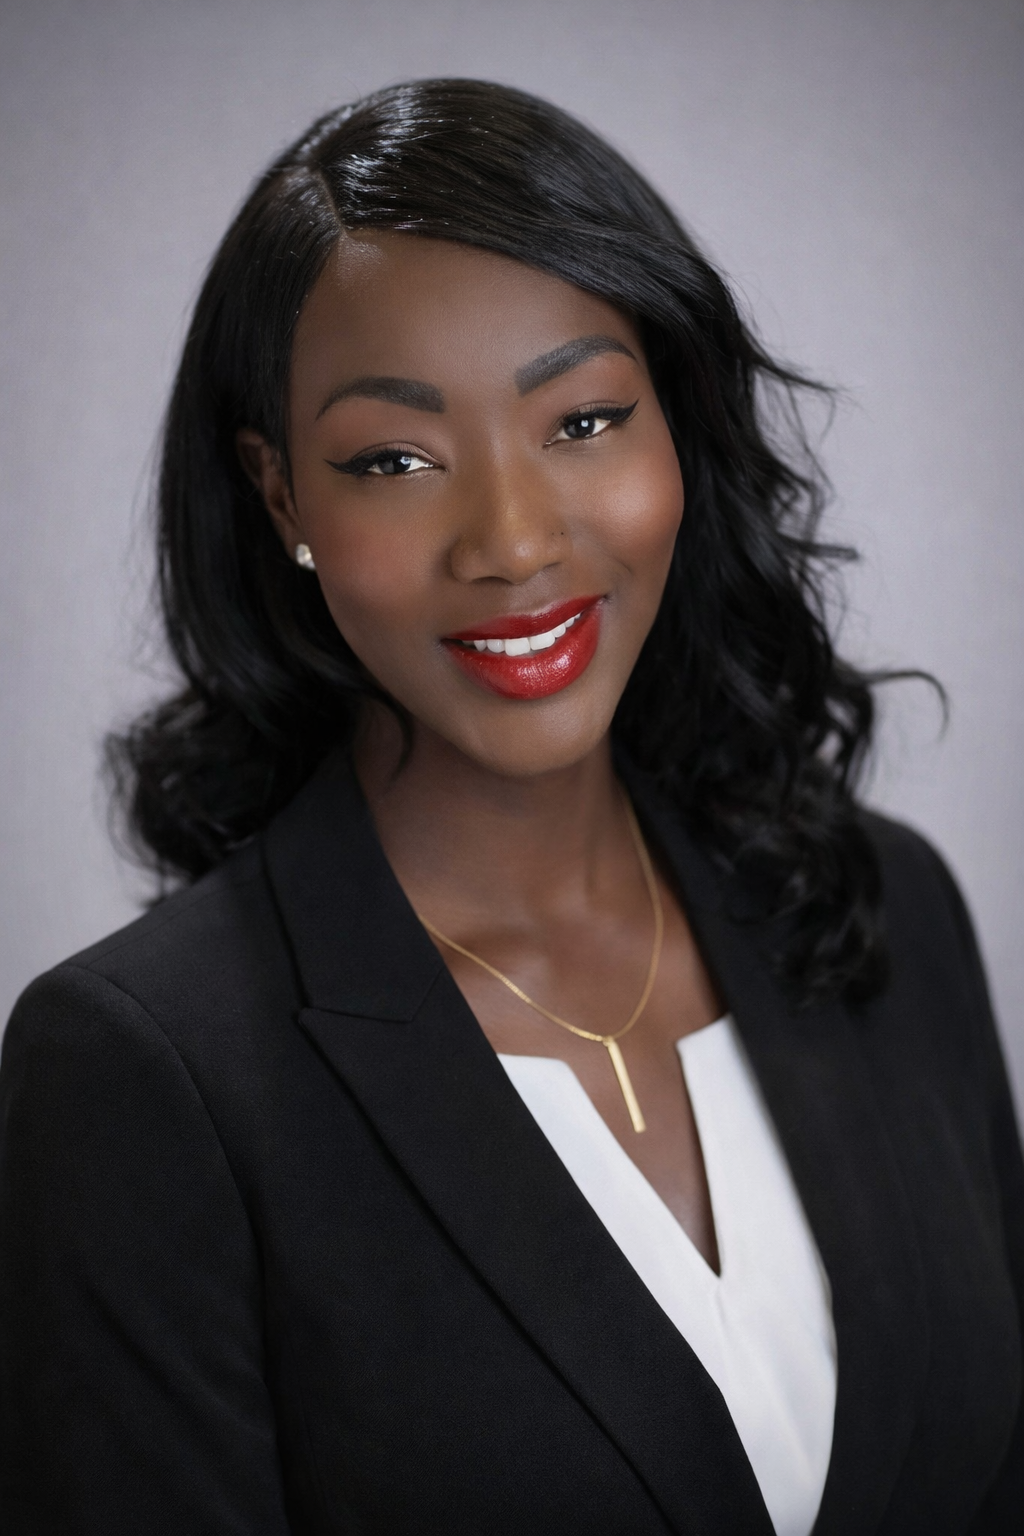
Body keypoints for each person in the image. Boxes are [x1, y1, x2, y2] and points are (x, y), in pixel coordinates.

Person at [0, 78, 1020, 1536]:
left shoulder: (883, 910)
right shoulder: (145, 1079)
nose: (514, 538)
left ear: (676, 422)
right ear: (280, 494)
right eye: (393, 461)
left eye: (586, 418)